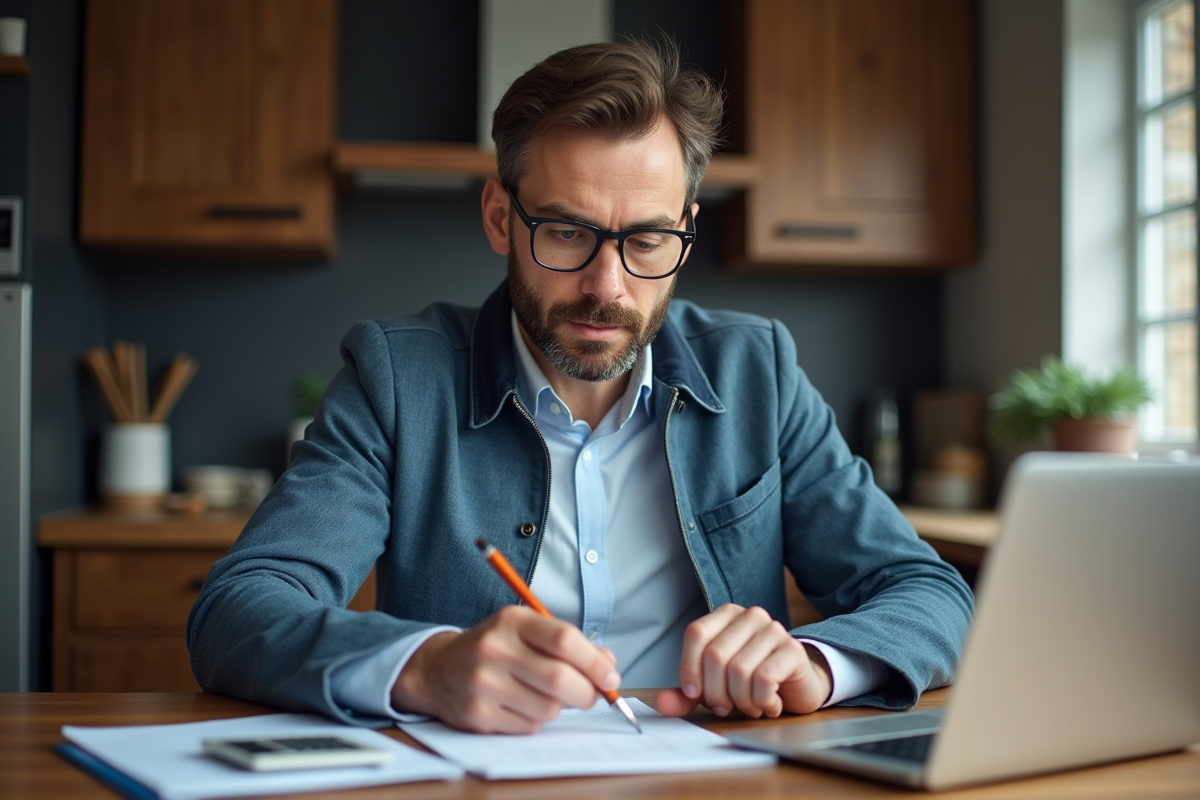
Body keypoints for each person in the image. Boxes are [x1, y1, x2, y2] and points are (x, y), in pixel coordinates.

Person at [187, 38, 973, 734]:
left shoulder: (756, 369)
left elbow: (929, 594)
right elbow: (240, 609)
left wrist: (815, 665)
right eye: (566, 231)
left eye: (648, 239)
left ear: (686, 232)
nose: (608, 285)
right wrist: (425, 668)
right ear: (501, 216)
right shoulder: (400, 378)